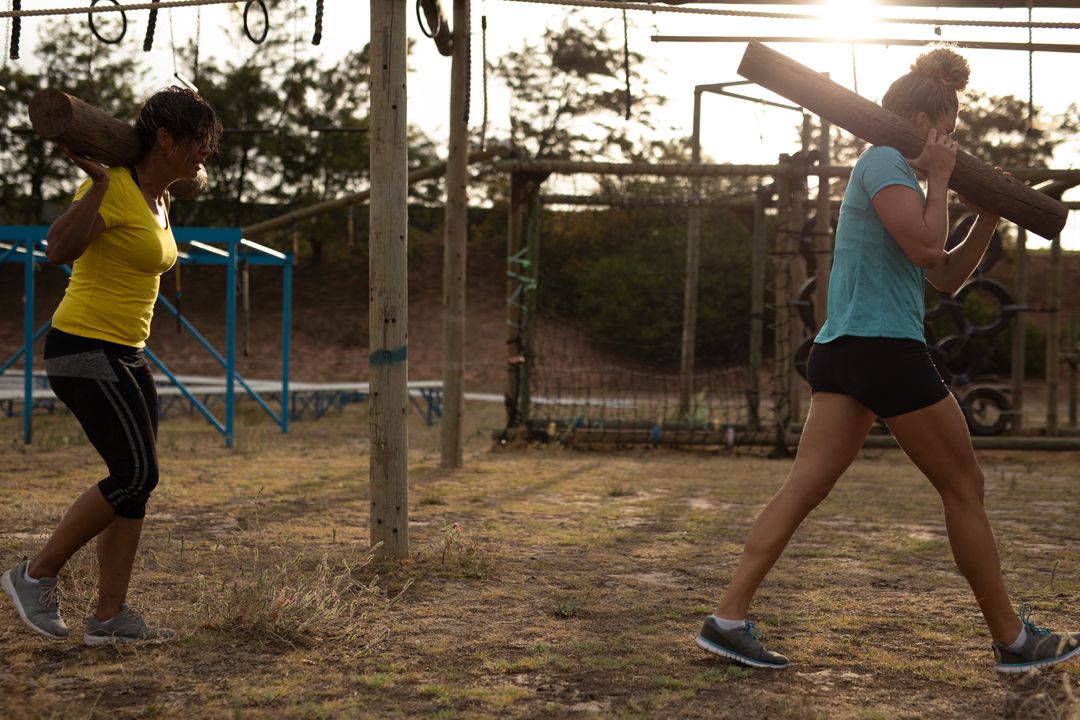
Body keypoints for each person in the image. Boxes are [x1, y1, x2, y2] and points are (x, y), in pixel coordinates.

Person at [694, 48, 1079, 674]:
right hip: (880, 349)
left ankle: (727, 619)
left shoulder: (899, 173)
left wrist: (986, 213)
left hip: (848, 352)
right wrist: (941, 178)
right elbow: (928, 247)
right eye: (947, 131)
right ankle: (1012, 640)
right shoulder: (883, 162)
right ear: (926, 122)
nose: (951, 143)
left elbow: (948, 274)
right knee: (965, 485)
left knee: (804, 488)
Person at [2, 86, 220, 645]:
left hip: (126, 351)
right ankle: (35, 574)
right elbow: (57, 250)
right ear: (165, 139)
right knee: (135, 474)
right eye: (197, 142)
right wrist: (97, 185)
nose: (203, 154)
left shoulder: (161, 199)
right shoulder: (115, 188)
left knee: (136, 487)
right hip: (83, 347)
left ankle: (108, 617)